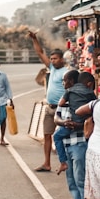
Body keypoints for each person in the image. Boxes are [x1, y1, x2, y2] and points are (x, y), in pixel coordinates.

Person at [54, 87, 95, 199]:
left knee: (80, 179)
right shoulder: (64, 104)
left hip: (79, 144)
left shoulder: (84, 105)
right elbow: (56, 116)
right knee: (71, 180)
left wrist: (77, 125)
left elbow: (90, 122)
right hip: (67, 145)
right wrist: (64, 123)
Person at [29, 31, 68, 172]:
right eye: (51, 59)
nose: (52, 61)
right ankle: (47, 163)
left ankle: (65, 162)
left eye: (55, 59)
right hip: (49, 107)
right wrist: (35, 39)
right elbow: (40, 53)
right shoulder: (51, 68)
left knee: (63, 136)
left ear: (62, 60)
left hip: (62, 109)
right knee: (47, 135)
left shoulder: (66, 72)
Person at [54, 70, 96, 175]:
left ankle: (62, 162)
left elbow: (61, 104)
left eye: (64, 81)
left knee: (56, 136)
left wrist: (70, 105)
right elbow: (95, 106)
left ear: (72, 81)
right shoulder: (90, 93)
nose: (63, 83)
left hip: (78, 141)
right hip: (82, 127)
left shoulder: (69, 92)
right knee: (75, 179)